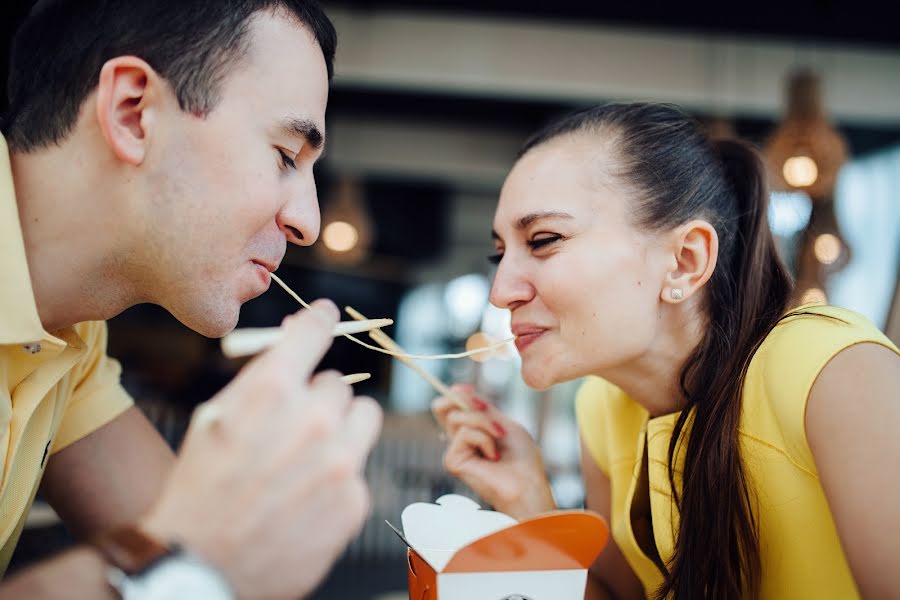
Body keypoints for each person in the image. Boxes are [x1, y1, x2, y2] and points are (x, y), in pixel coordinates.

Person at [432, 103, 900, 599]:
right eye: (499, 254)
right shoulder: (603, 407)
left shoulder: (834, 370)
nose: (500, 291)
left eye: (544, 239)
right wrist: (529, 500)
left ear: (683, 261)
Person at [0, 1, 382, 597]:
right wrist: (190, 558)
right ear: (132, 113)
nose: (306, 221)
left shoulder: (71, 333)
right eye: (284, 155)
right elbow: (199, 547)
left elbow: (220, 552)